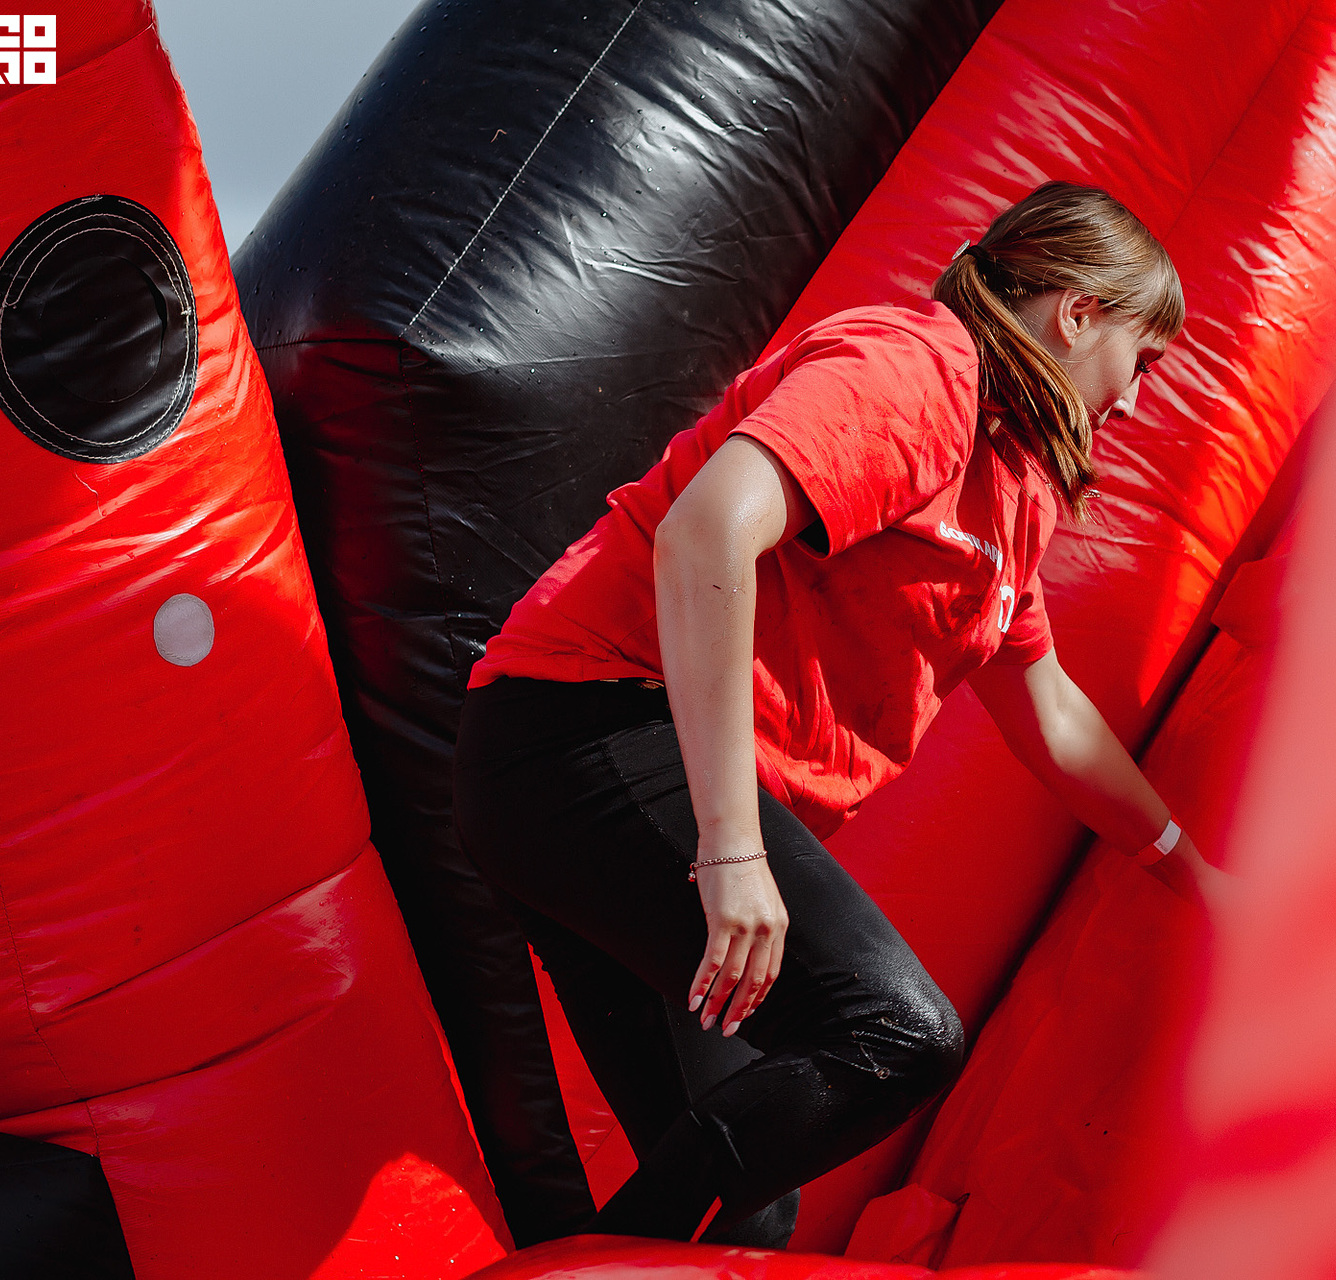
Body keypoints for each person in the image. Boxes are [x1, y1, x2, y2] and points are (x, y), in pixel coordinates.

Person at [452, 180, 1216, 1247]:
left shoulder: (1008, 486)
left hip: (614, 775)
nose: (1133, 401)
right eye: (1145, 360)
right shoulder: (917, 373)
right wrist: (731, 849)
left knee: (748, 1214)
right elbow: (705, 532)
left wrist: (1200, 878)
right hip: (584, 734)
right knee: (896, 1032)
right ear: (1079, 313)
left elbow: (1051, 715)